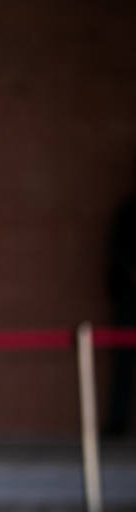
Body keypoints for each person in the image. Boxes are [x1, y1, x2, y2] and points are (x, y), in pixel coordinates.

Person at [105, 168, 136, 437]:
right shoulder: (129, 211)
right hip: (130, 298)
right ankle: (117, 424)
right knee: (123, 365)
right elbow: (118, 256)